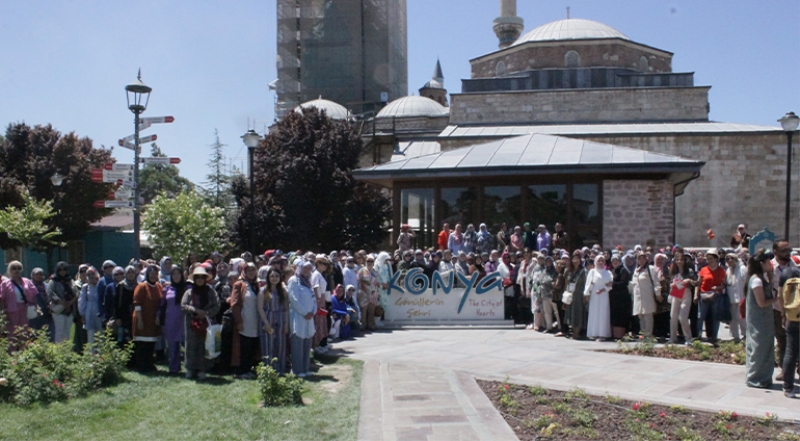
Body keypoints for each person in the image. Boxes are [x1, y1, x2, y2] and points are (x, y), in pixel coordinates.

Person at [746, 250, 778, 389]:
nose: (770, 263)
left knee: (765, 348)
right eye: (767, 261)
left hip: (764, 319)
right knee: (759, 348)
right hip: (759, 320)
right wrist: (778, 299)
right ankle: (756, 378)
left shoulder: (761, 278)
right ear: (761, 263)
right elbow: (762, 302)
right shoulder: (756, 280)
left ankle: (764, 377)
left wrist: (770, 280)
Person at [771, 239, 797, 383]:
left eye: (789, 250)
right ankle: (784, 369)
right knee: (782, 340)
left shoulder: (795, 265)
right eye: (784, 251)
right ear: (775, 252)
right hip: (777, 309)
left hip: (795, 308)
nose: (788, 253)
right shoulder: (770, 267)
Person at [231, 263, 260, 379]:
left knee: (253, 346)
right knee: (243, 347)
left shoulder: (257, 285)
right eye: (249, 270)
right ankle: (241, 371)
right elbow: (234, 304)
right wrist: (239, 321)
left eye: (253, 270)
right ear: (244, 271)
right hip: (245, 321)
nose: (251, 272)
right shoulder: (239, 284)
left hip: (256, 322)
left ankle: (249, 369)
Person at [258, 268, 289, 374]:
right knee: (268, 346)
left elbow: (286, 308)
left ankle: (280, 369)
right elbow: (260, 308)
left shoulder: (283, 291)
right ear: (268, 277)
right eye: (272, 276)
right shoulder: (263, 290)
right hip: (268, 318)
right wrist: (266, 323)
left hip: (280, 319)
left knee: (280, 346)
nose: (274, 278)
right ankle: (269, 370)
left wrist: (286, 324)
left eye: (276, 276)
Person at [132, 265, 163, 373]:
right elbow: (137, 304)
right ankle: (141, 366)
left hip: (153, 321)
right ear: (147, 274)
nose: (153, 276)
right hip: (143, 320)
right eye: (151, 274)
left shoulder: (159, 287)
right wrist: (140, 320)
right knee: (142, 345)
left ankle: (149, 364)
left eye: (155, 274)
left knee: (151, 345)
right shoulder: (141, 287)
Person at [288, 261, 316, 377]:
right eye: (304, 268)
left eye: (309, 268)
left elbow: (314, 299)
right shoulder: (293, 280)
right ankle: (297, 370)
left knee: (307, 342)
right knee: (298, 343)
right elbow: (293, 299)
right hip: (298, 316)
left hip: (309, 318)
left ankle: (305, 368)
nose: (307, 270)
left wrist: (313, 312)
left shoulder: (308, 282)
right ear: (299, 268)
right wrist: (304, 313)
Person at [0, 261, 37, 340]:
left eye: (19, 268)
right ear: (9, 270)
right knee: (12, 332)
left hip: (25, 308)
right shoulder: (5, 283)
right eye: (14, 268)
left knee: (25, 331)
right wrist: (3, 312)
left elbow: (33, 294)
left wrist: (36, 307)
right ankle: (12, 351)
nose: (16, 270)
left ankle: (23, 350)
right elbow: (2, 299)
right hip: (11, 310)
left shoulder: (27, 281)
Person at [161, 267, 187, 375]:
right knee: (172, 346)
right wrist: (160, 318)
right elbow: (162, 305)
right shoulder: (167, 289)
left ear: (182, 275)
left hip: (184, 320)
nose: (176, 276)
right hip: (170, 320)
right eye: (173, 274)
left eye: (178, 274)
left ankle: (191, 368)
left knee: (188, 345)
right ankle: (174, 368)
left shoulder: (187, 288)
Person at [696, 249, 726, 343]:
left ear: (716, 259)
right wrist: (696, 295)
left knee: (715, 317)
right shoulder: (703, 270)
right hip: (704, 295)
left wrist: (717, 287)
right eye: (708, 258)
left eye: (711, 258)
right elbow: (699, 283)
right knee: (701, 316)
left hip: (716, 295)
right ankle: (698, 336)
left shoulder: (721, 270)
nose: (709, 260)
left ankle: (714, 337)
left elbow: (724, 284)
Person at [780, 267, 800, 398]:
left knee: (790, 352)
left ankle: (788, 387)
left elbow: (779, 298)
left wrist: (783, 315)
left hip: (791, 319)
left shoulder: (785, 279)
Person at [669, 253, 697, 344]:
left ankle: (688, 338)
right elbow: (670, 283)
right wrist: (674, 284)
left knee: (682, 317)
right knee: (673, 317)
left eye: (681, 260)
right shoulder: (673, 272)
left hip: (686, 294)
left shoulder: (689, 271)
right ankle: (673, 338)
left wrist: (689, 280)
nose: (679, 262)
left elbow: (695, 283)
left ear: (684, 261)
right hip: (676, 294)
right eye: (677, 260)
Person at [47, 261, 78, 343]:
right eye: (60, 269)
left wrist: (70, 303)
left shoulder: (70, 281)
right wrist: (62, 303)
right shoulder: (53, 281)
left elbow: (76, 293)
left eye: (64, 269)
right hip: (58, 310)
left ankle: (66, 352)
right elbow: (51, 293)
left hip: (69, 309)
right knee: (59, 331)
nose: (62, 271)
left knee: (67, 332)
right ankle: (59, 352)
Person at [584, 255, 612, 340]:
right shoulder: (592, 272)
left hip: (604, 295)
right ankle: (593, 333)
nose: (600, 262)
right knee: (594, 313)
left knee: (603, 313)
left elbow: (610, 286)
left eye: (602, 261)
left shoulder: (608, 273)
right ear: (595, 262)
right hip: (594, 295)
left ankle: (603, 334)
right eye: (599, 260)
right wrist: (587, 294)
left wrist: (603, 290)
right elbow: (588, 284)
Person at [631, 252, 658, 337]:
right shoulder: (636, 270)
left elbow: (656, 282)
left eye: (643, 258)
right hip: (638, 296)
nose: (641, 260)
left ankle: (648, 335)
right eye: (639, 259)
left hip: (647, 295)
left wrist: (658, 293)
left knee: (648, 315)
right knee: (640, 316)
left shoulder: (651, 269)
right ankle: (643, 334)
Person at [111, 265, 138, 349]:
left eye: (132, 272)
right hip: (123, 317)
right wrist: (117, 317)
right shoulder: (120, 286)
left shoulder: (138, 286)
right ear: (125, 274)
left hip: (135, 316)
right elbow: (115, 303)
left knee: (134, 339)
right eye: (128, 272)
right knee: (123, 341)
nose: (131, 274)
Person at [78, 267, 104, 348]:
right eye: (88, 274)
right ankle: (91, 356)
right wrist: (82, 314)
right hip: (89, 312)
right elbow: (82, 301)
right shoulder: (85, 287)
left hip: (100, 311)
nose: (91, 276)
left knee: (101, 336)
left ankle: (101, 356)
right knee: (91, 336)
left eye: (92, 274)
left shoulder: (101, 284)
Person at [725, 253, 747, 343]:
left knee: (741, 318)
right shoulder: (728, 270)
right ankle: (735, 336)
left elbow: (746, 282)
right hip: (731, 298)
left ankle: (745, 335)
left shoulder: (742, 269)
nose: (730, 260)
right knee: (733, 319)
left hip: (741, 297)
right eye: (728, 259)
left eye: (732, 258)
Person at [609, 255, 632, 339]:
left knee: (620, 317)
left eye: (616, 260)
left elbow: (623, 283)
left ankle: (619, 336)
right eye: (613, 260)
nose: (615, 262)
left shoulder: (623, 270)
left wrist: (612, 284)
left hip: (621, 298)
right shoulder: (613, 270)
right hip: (614, 298)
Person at [565, 253, 587, 339]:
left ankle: (577, 333)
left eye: (577, 259)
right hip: (571, 294)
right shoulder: (570, 271)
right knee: (571, 313)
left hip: (579, 294)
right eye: (573, 259)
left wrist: (585, 295)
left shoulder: (583, 271)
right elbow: (567, 282)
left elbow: (586, 283)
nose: (575, 261)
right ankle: (573, 331)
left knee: (578, 313)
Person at [29, 268, 54, 341]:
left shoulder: (46, 285)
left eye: (40, 274)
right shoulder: (30, 285)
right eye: (37, 274)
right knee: (35, 334)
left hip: (47, 313)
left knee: (48, 334)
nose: (39, 276)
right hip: (35, 313)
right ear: (33, 275)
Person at [358, 256, 381, 331]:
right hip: (364, 293)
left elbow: (377, 283)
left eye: (371, 261)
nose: (370, 263)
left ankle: (371, 325)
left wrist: (378, 293)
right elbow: (358, 280)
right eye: (368, 261)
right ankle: (363, 325)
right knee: (363, 311)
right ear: (365, 262)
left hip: (373, 293)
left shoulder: (375, 271)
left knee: (371, 310)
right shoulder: (362, 270)